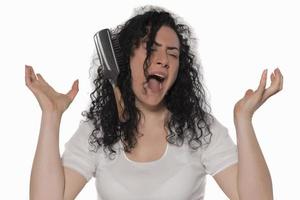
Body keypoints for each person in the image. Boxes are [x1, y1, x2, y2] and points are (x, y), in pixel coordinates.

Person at [26, 6, 283, 200]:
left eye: (172, 53)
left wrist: (243, 119)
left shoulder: (199, 129)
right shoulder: (99, 132)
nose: (163, 59)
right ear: (126, 58)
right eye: (151, 49)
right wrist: (51, 115)